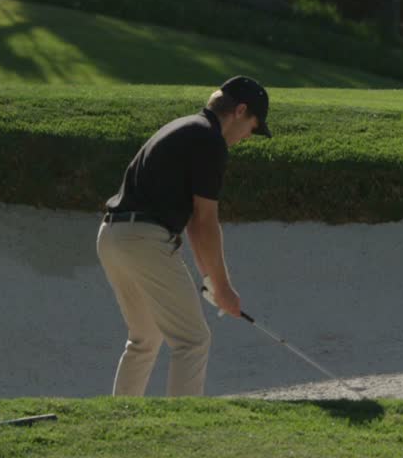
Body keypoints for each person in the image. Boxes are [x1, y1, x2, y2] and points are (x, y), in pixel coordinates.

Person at [96, 75, 272, 397]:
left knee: (145, 338)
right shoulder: (210, 140)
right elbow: (205, 222)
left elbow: (194, 227)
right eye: (253, 126)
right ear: (240, 111)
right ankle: (181, 432)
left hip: (112, 235)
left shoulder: (186, 126)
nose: (249, 136)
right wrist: (223, 288)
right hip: (144, 241)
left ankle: (119, 422)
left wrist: (211, 280)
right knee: (192, 340)